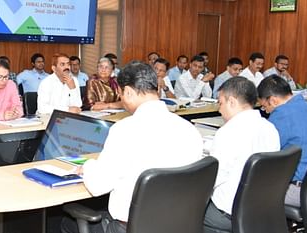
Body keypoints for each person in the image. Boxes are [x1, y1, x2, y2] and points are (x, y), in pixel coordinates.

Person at [61, 61, 204, 233]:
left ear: (127, 92)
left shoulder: (124, 130)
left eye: (121, 94)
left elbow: (98, 185)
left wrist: (88, 166)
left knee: (64, 223)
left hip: (129, 227)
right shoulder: (190, 129)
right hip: (179, 225)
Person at [203, 77, 280, 232]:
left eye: (220, 103)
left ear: (231, 102)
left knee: (184, 213)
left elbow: (214, 178)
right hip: (262, 208)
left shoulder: (228, 132)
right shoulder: (270, 128)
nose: (219, 109)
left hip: (228, 212)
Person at [257, 75, 307, 207]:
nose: (266, 111)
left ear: (273, 101)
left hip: (299, 189)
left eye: (264, 107)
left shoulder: (281, 115)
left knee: (246, 193)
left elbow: (264, 153)